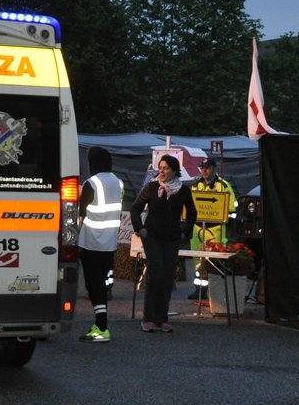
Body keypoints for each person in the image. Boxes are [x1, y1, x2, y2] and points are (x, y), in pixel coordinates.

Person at [129, 154, 193, 333]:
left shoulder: (183, 190)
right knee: (155, 274)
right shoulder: (151, 187)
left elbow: (192, 214)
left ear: (174, 170)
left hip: (172, 238)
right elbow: (135, 209)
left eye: (165, 168)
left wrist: (184, 232)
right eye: (160, 167)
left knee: (166, 277)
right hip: (152, 237)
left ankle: (162, 319)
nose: (161, 171)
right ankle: (148, 318)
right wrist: (140, 229)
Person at [76, 146, 125, 342]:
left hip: (91, 242)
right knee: (101, 284)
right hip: (110, 242)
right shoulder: (118, 182)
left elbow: (80, 212)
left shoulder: (91, 183)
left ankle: (101, 327)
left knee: (93, 284)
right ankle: (100, 324)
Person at [188, 158, 237, 251]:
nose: (204, 170)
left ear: (214, 169)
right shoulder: (195, 186)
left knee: (215, 259)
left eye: (207, 168)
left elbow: (231, 207)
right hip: (197, 228)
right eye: (202, 168)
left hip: (215, 228)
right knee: (196, 257)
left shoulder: (223, 186)